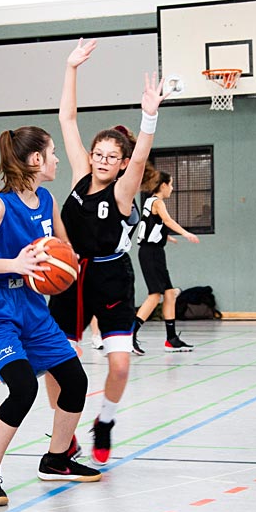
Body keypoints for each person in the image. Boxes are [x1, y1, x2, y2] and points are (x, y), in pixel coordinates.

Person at [0, 126, 100, 507]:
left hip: (30, 306)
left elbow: (63, 247)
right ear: (35, 160)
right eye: (52, 152)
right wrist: (14, 263)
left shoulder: (46, 200)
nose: (56, 159)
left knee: (75, 380)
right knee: (23, 387)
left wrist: (65, 262)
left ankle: (57, 459)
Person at [47, 38, 168, 466]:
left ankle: (105, 421)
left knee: (118, 365)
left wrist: (149, 116)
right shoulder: (80, 174)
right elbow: (67, 118)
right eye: (97, 154)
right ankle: (65, 433)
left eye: (111, 157)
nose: (101, 160)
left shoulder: (121, 191)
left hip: (112, 277)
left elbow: (141, 158)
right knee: (56, 363)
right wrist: (71, 68)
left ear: (120, 163)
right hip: (69, 275)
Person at [131, 171, 200, 354]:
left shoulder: (148, 201)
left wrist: (166, 237)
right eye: (171, 184)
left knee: (169, 293)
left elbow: (151, 225)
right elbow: (167, 220)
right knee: (155, 295)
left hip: (153, 252)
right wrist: (185, 233)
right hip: (151, 253)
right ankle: (130, 334)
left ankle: (171, 339)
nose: (172, 188)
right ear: (163, 185)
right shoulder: (158, 202)